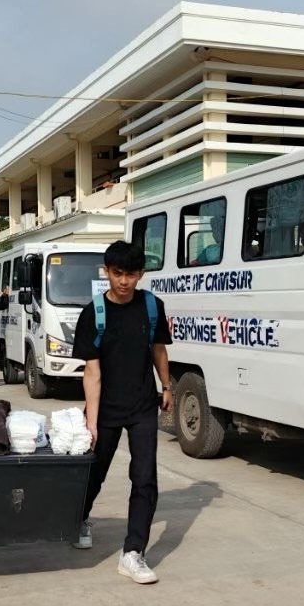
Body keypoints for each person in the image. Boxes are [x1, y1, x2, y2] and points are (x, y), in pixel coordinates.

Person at [72, 240, 173, 585]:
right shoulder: (94, 313)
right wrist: (92, 420)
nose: (124, 281)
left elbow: (158, 349)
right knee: (95, 472)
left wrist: (167, 385)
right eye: (117, 274)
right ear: (107, 272)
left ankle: (133, 552)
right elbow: (92, 372)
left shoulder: (152, 307)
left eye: (131, 274)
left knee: (144, 477)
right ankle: (80, 518)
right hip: (106, 408)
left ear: (141, 274)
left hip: (143, 406)